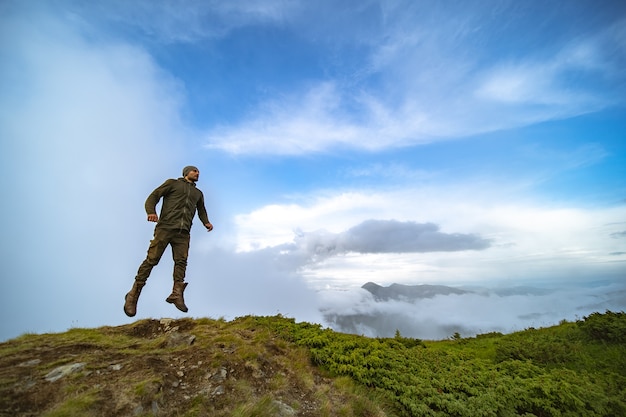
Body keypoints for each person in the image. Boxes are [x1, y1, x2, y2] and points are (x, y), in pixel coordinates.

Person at [124, 165, 213, 317]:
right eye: (194, 171)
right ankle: (134, 293)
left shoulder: (198, 193)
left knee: (181, 262)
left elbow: (201, 209)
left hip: (183, 232)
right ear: (186, 173)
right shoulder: (172, 183)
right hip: (165, 228)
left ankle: (176, 294)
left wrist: (206, 222)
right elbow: (154, 196)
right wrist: (151, 212)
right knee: (152, 260)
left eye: (198, 171)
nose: (198, 173)